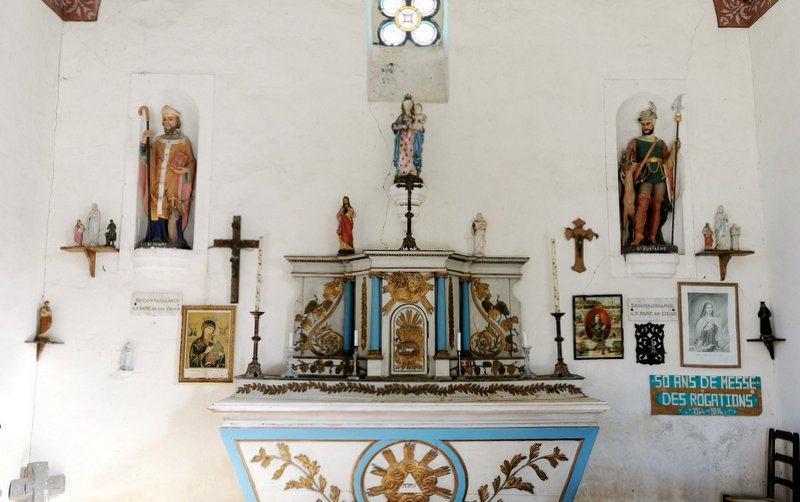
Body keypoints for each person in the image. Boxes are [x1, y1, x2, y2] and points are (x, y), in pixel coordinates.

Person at [619, 102, 680, 247]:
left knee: (657, 205)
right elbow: (628, 160)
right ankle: (638, 236)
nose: (645, 127)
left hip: (659, 175)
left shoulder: (660, 143)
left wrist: (674, 149)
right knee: (642, 203)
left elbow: (668, 162)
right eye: (643, 124)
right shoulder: (635, 142)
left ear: (653, 124)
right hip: (645, 175)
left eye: (647, 124)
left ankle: (653, 236)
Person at [140, 105, 196, 247]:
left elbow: (191, 163)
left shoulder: (184, 142)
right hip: (156, 185)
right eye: (165, 120)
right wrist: (144, 144)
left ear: (177, 121)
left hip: (174, 186)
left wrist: (186, 171)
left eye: (170, 119)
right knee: (156, 208)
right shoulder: (158, 141)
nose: (167, 123)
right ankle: (155, 237)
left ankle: (174, 239)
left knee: (172, 210)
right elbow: (147, 159)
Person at [392, 94, 424, 178]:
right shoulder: (401, 117)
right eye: (406, 104)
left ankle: (412, 173)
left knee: (412, 156)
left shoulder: (415, 116)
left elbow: (420, 127)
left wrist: (418, 128)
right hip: (403, 141)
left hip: (412, 140)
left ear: (412, 105)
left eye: (409, 104)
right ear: (403, 105)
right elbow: (394, 127)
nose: (407, 106)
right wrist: (403, 126)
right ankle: (402, 173)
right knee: (403, 156)